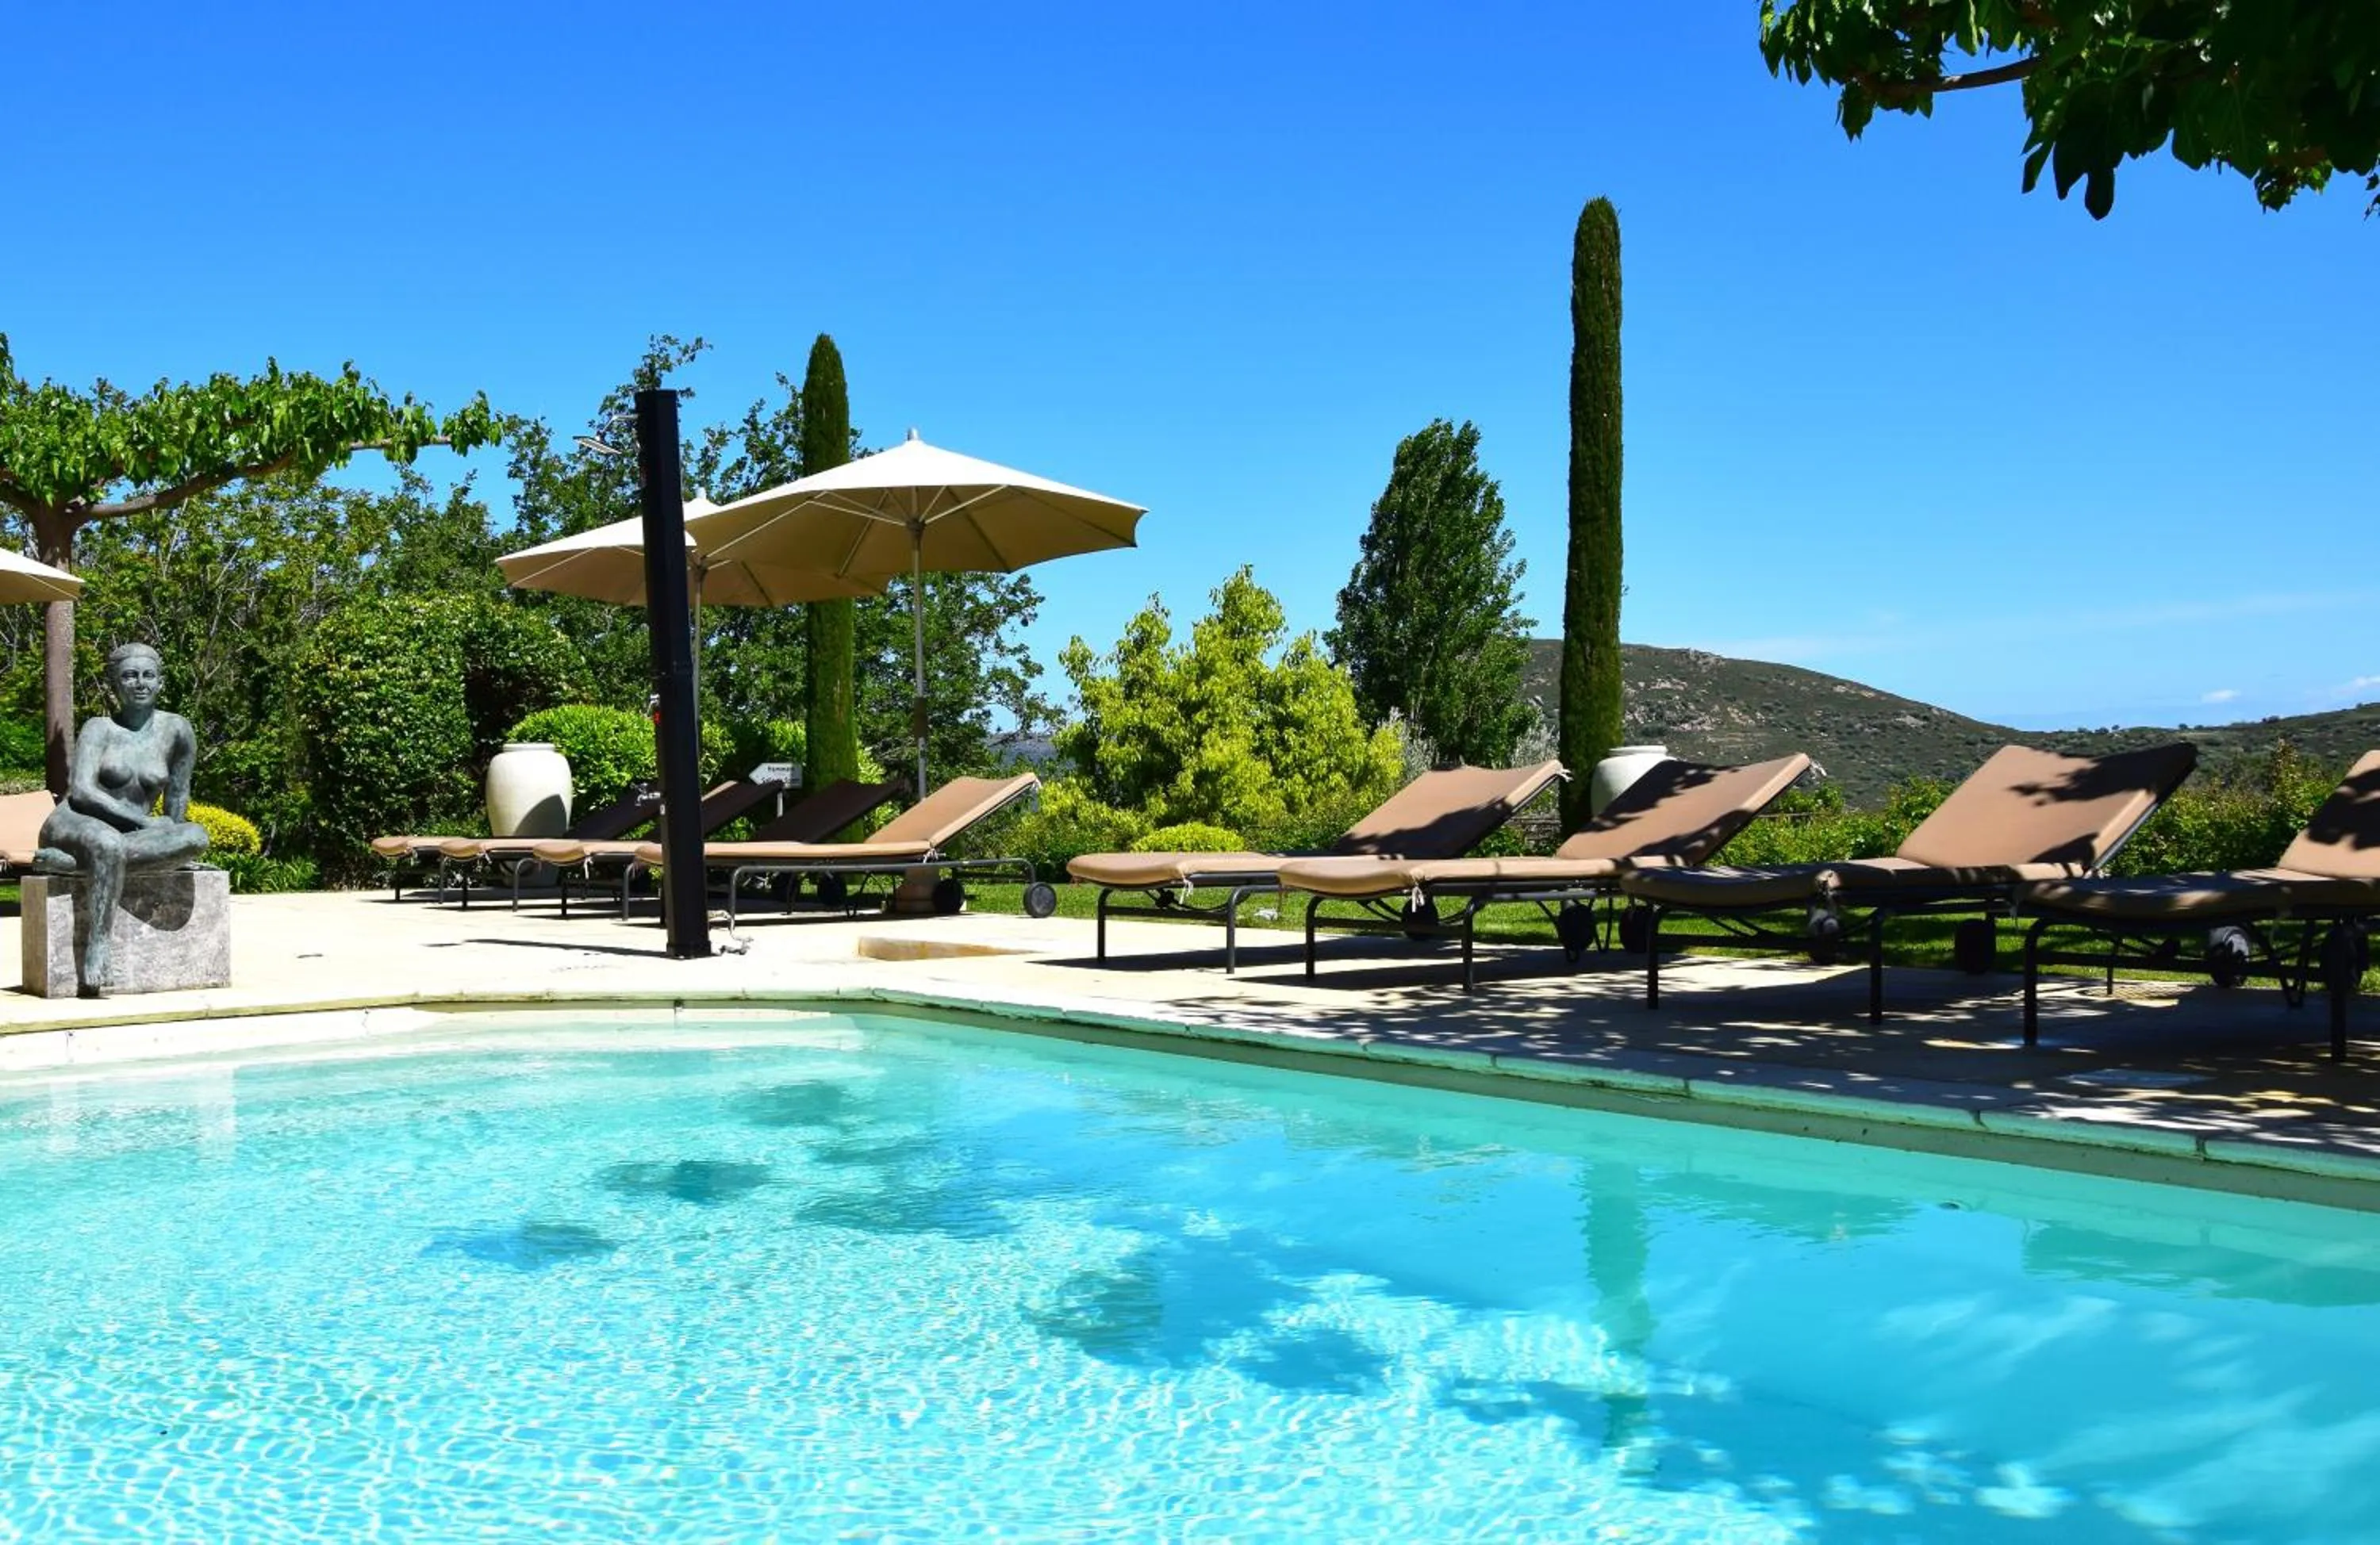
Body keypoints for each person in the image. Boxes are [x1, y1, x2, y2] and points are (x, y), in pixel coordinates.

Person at [35, 642, 210, 994]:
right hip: (74, 822)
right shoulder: (98, 728)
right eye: (130, 676)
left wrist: (170, 837)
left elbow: (177, 793)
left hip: (126, 838)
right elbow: (82, 791)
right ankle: (99, 945)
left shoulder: (177, 730)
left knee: (195, 837)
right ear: (116, 684)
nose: (140, 683)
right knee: (107, 842)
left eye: (149, 675)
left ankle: (75, 867)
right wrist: (146, 824)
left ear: (161, 682)